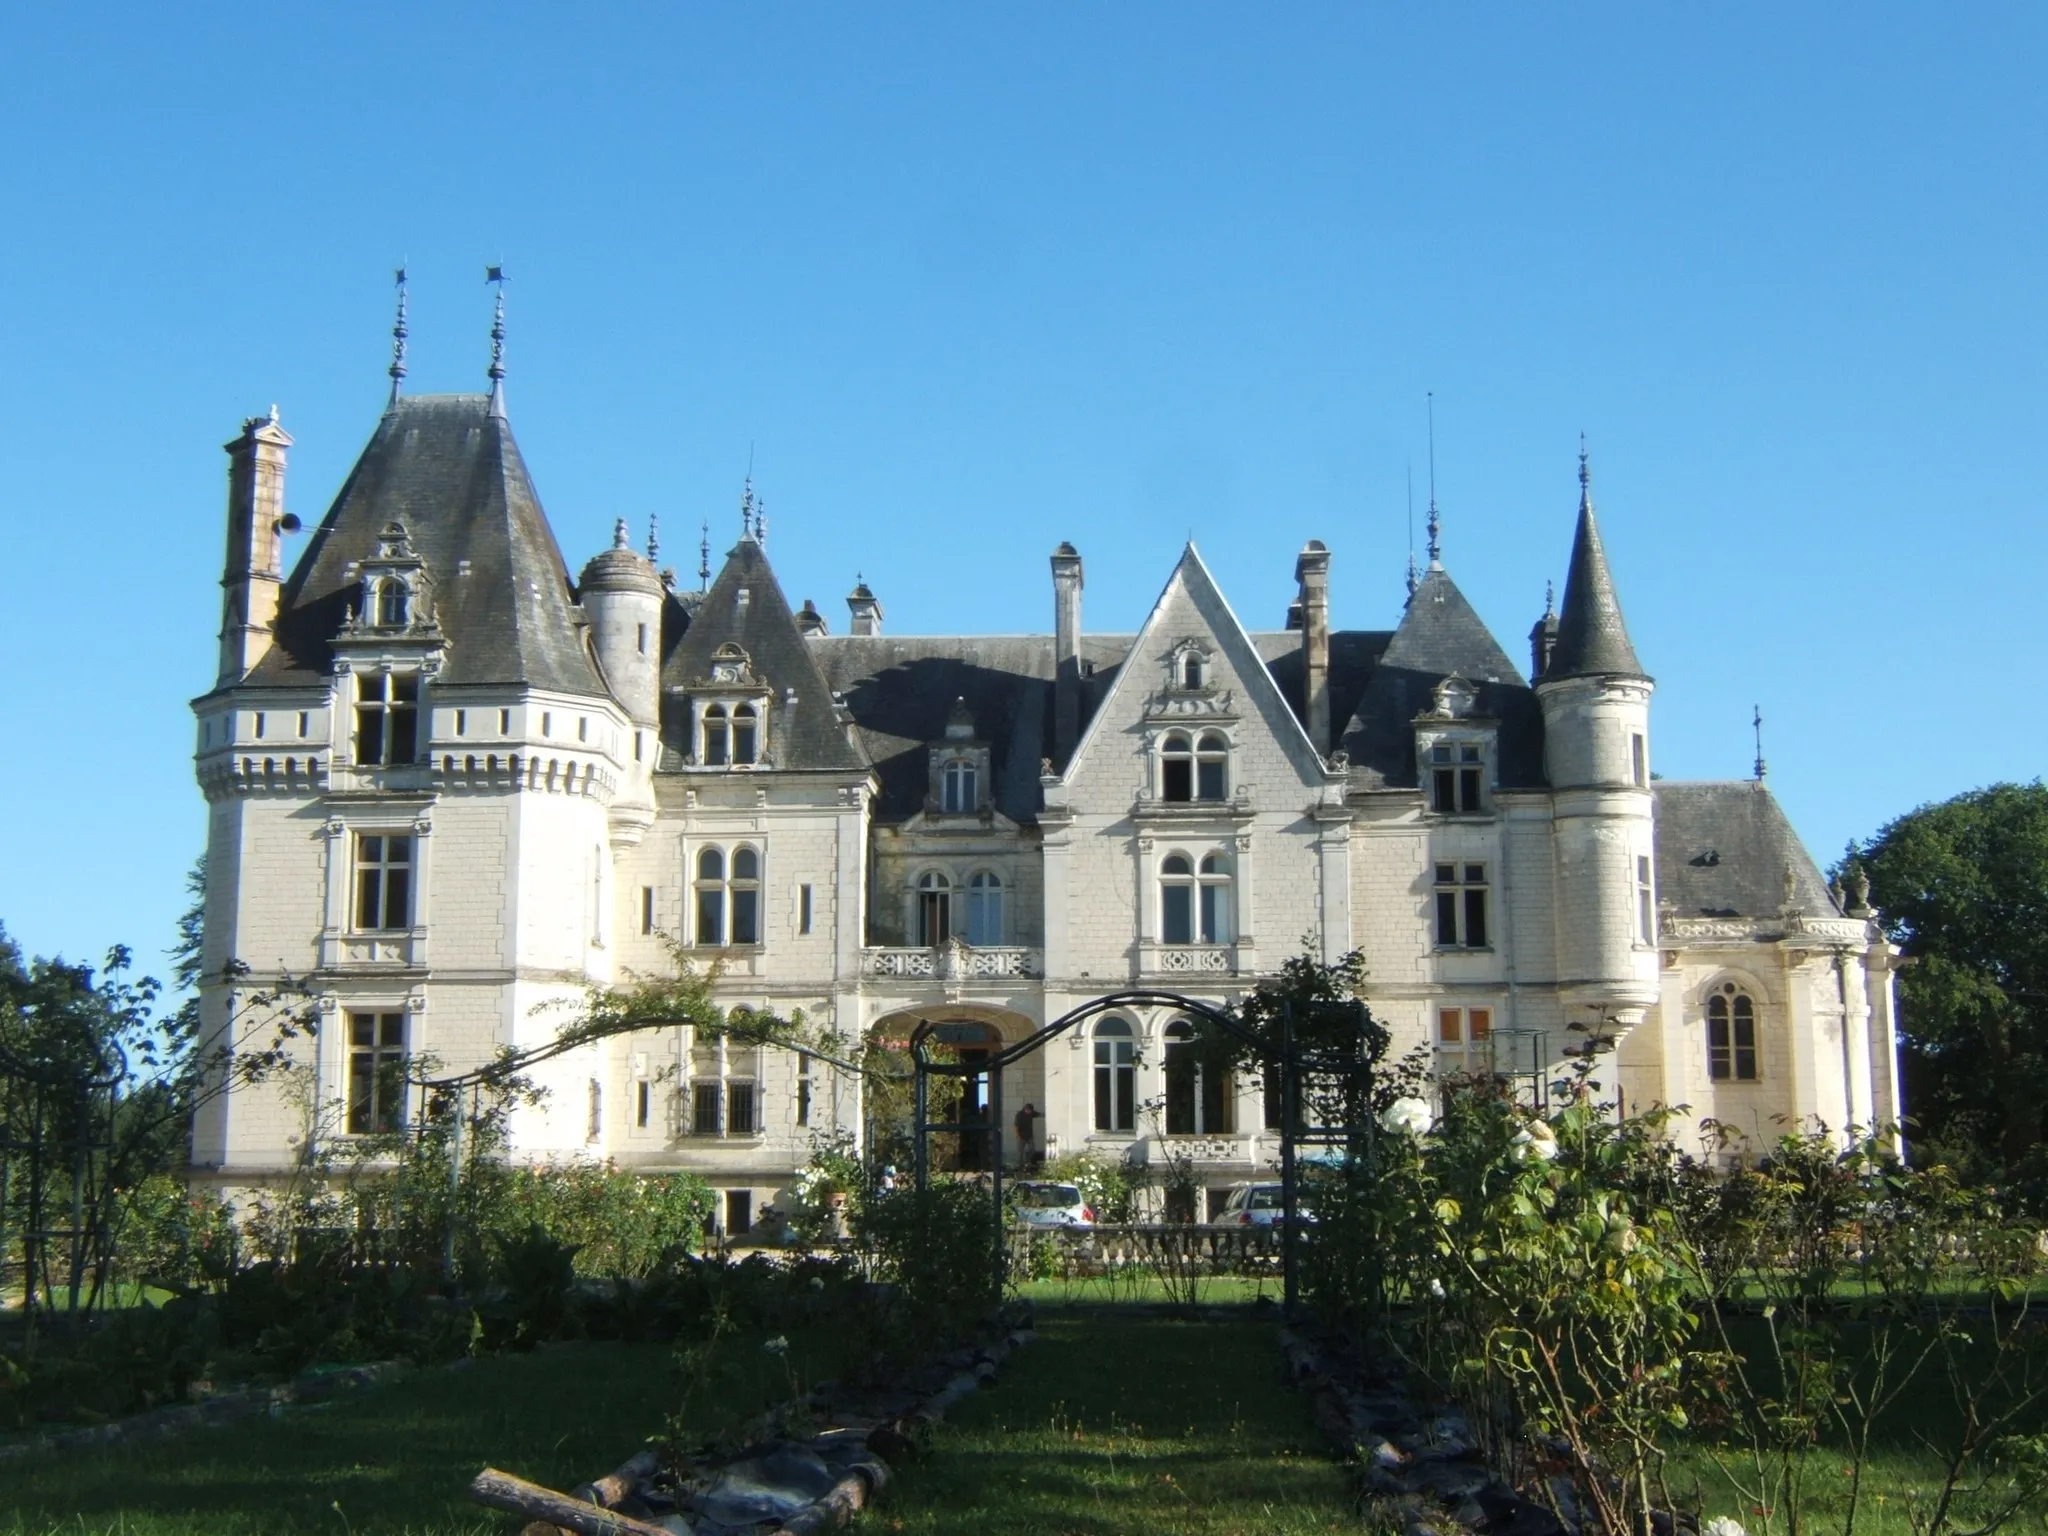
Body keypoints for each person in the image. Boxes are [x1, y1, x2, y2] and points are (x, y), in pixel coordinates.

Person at [1013, 1102, 1041, 1169]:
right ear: (1025, 1109)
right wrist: (1018, 1136)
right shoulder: (1019, 1115)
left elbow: (1038, 1114)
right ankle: (1019, 1165)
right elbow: (1016, 1127)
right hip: (1021, 1136)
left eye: (1030, 1111)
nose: (1029, 1113)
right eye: (1028, 1111)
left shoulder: (1031, 1113)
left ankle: (1027, 1162)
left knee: (1032, 1149)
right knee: (1020, 1152)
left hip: (1029, 1136)